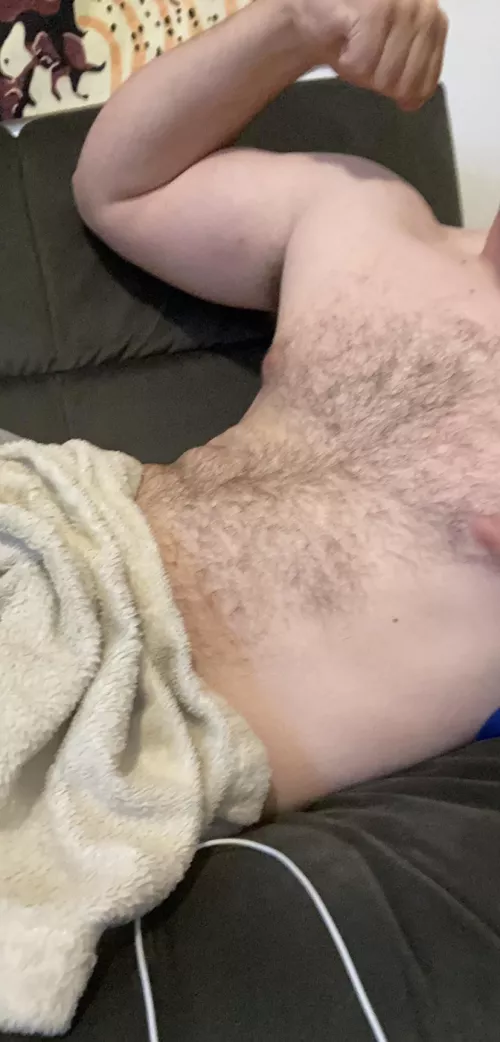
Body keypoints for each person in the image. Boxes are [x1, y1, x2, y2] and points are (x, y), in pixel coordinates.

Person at [73, 0, 500, 814]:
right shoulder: (369, 219)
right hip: (57, 534)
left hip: (138, 755)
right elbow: (117, 189)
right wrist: (297, 23)